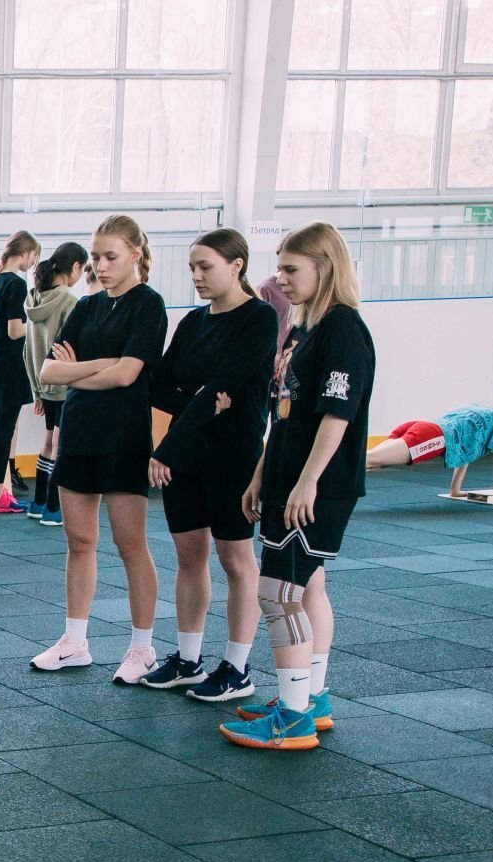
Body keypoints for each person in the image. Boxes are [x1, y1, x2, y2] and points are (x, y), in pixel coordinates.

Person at [224, 222, 376, 750]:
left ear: (324, 267)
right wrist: (262, 475)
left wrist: (307, 483)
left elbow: (338, 415)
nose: (280, 279)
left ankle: (293, 718)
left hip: (316, 488)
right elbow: (284, 414)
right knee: (308, 587)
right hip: (287, 480)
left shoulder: (344, 329)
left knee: (277, 593)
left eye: (291, 269)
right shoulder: (302, 326)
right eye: (280, 267)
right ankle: (310, 697)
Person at [142, 229, 279, 704]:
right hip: (189, 457)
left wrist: (167, 448)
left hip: (233, 457)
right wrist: (196, 402)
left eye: (206, 267)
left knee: (236, 560)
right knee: (189, 558)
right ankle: (188, 660)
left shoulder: (259, 319)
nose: (197, 277)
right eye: (192, 268)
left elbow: (225, 383)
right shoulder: (192, 322)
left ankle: (237, 668)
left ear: (236, 265)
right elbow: (159, 385)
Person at [30, 215, 167, 685]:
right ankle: (75, 641)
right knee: (79, 541)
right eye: (95, 258)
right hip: (79, 433)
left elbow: (128, 375)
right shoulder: (85, 308)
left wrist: (81, 371)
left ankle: (142, 648)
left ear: (135, 255)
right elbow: (49, 372)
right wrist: (102, 365)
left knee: (130, 544)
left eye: (111, 257)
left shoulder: (148, 304)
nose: (101, 266)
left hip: (125, 437)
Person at [23, 241, 89, 526]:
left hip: (42, 382)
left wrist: (36, 390)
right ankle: (53, 507)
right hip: (63, 382)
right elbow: (71, 347)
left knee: (49, 440)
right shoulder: (69, 301)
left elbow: (27, 350)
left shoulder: (34, 299)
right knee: (61, 443)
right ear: (75, 266)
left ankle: (39, 503)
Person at [367, 405, 493, 507]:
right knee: (367, 460)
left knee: (368, 463)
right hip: (432, 437)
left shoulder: (480, 412)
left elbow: (464, 453)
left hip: (420, 426)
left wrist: (455, 490)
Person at [0, 232, 41, 513]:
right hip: (8, 365)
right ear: (25, 253)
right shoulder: (16, 284)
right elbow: (15, 330)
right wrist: (38, 326)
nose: (33, 263)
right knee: (4, 431)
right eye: (35, 257)